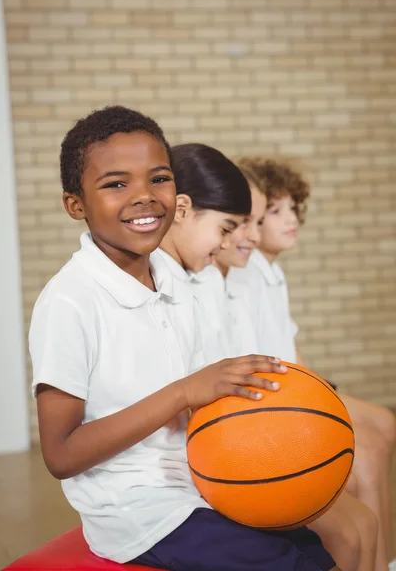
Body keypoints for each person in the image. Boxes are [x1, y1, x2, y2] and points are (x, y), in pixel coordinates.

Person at [29, 108, 338, 571]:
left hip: (202, 481)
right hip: (138, 510)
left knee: (318, 549)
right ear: (75, 205)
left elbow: (201, 406)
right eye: (116, 184)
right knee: (284, 564)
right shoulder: (70, 301)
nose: (145, 198)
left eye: (159, 179)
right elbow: (61, 453)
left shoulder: (175, 285)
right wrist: (184, 392)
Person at [229, 156, 395, 571]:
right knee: (369, 449)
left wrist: (325, 395)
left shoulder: (271, 273)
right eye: (275, 211)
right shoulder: (243, 276)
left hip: (295, 386)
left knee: (385, 424)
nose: (291, 220)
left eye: (292, 209)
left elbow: (292, 350)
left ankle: (387, 557)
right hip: (278, 400)